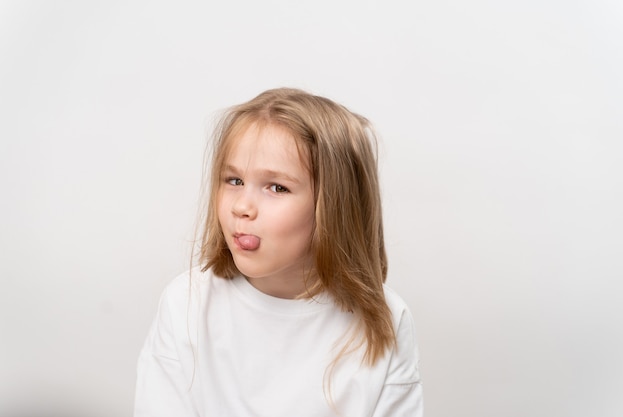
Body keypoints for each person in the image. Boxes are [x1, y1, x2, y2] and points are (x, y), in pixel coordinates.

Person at [133, 88, 423, 416]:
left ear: (334, 206)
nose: (242, 206)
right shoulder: (186, 304)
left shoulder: (385, 322)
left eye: (277, 187)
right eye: (233, 180)